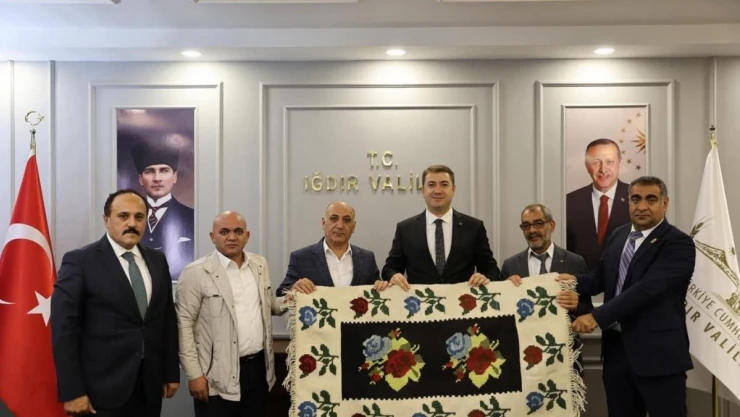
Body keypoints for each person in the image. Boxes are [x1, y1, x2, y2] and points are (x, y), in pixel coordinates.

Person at [562, 176, 695, 417]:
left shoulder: (678, 243)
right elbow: (600, 278)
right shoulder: (618, 235)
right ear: (628, 202)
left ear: (665, 203)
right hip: (617, 353)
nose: (642, 206)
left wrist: (596, 316)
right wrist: (570, 281)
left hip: (658, 355)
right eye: (636, 199)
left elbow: (646, 290)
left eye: (651, 199)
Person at [51, 189, 180, 417]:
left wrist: (170, 372)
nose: (132, 223)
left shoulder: (157, 260)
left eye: (139, 217)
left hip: (149, 386)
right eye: (123, 216)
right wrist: (72, 391)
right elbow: (64, 330)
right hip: (100, 390)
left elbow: (166, 319)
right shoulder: (80, 261)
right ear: (106, 220)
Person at [176, 211, 282, 417]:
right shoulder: (195, 273)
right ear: (212, 236)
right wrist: (194, 375)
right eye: (224, 232)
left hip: (258, 370)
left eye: (238, 231)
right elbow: (184, 325)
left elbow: (270, 305)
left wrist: (298, 296)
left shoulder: (259, 265)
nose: (232, 237)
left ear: (247, 236)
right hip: (215, 376)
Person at [500, 203, 592, 372]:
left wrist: (577, 304)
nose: (532, 230)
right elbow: (501, 315)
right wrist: (507, 291)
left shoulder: (574, 262)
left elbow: (587, 309)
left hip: (564, 356)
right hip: (524, 358)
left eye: (538, 223)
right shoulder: (511, 266)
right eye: (526, 226)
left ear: (552, 225)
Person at [381, 164, 500, 290]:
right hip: (418, 301)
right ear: (423, 190)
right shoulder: (405, 228)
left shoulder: (474, 227)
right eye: (431, 185)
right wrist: (393, 276)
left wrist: (484, 277)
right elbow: (389, 269)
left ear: (453, 190)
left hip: (462, 300)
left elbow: (492, 270)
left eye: (444, 184)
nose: (437, 190)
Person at [277, 201, 379, 296]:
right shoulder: (301, 258)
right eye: (334, 219)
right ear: (323, 223)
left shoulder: (367, 258)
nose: (340, 226)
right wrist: (293, 288)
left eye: (347, 220)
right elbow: (281, 292)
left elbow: (378, 291)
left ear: (353, 226)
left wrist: (382, 286)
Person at [131, 135, 194, 280]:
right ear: (141, 179)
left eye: (164, 170)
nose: (157, 178)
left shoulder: (191, 218)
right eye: (149, 171)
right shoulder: (128, 218)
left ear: (175, 177)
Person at [566, 138, 630, 270]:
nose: (603, 169)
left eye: (609, 162)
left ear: (619, 164)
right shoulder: (569, 202)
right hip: (580, 280)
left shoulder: (637, 199)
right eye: (596, 162)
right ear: (587, 166)